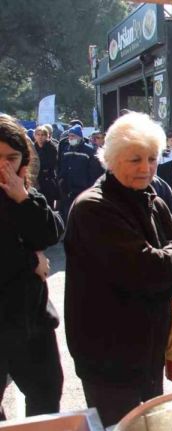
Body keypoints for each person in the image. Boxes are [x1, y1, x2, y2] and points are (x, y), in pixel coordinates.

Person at [64, 112, 172, 427]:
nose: (146, 168)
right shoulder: (93, 208)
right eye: (135, 159)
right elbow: (149, 270)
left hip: (149, 352)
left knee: (151, 423)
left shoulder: (152, 197)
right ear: (110, 159)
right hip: (109, 359)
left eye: (152, 158)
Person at [0, 114, 64, 420]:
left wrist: (22, 199)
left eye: (11, 158)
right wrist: (32, 260)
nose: (3, 167)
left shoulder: (24, 193)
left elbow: (51, 232)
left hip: (32, 320)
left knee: (47, 394)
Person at [57, 124, 103, 223]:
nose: (70, 138)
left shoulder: (89, 151)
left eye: (73, 136)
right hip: (68, 189)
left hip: (82, 188)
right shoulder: (66, 149)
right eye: (69, 136)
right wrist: (61, 179)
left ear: (79, 137)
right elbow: (62, 166)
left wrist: (91, 187)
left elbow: (94, 172)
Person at [33, 125, 60, 210]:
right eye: (38, 134)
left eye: (43, 135)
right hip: (35, 180)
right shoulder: (33, 147)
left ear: (47, 136)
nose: (40, 137)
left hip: (48, 180)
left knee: (48, 205)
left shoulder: (51, 147)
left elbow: (51, 163)